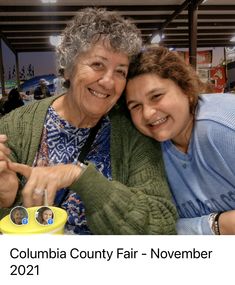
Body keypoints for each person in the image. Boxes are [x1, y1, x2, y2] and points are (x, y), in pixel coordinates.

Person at [0, 8, 177, 235]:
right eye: (97, 65)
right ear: (68, 69)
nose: (108, 82)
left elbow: (161, 224)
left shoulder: (133, 130)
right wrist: (6, 201)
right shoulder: (14, 127)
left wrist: (82, 177)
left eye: (120, 71)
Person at [125, 44, 235, 235]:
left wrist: (214, 226)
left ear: (186, 89)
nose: (148, 113)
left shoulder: (220, 126)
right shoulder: (151, 147)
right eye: (135, 106)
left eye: (156, 96)